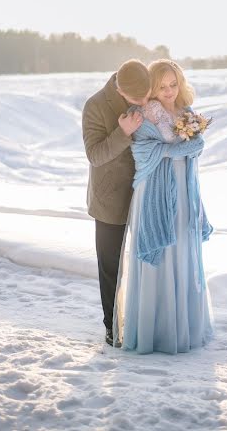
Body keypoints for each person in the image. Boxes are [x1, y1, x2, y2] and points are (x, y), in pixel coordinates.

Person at [113, 59, 214, 354]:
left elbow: (194, 147)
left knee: (182, 247)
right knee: (161, 253)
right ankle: (155, 331)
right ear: (151, 87)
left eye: (174, 84)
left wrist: (189, 147)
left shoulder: (187, 113)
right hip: (154, 191)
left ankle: (183, 327)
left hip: (183, 189)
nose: (169, 91)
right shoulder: (141, 114)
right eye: (162, 86)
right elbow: (143, 151)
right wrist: (177, 149)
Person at [82, 59, 151, 346]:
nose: (145, 102)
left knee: (149, 261)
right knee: (110, 266)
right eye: (139, 100)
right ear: (121, 91)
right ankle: (112, 326)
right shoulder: (95, 106)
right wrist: (122, 132)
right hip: (110, 198)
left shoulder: (144, 90)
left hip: (147, 194)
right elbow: (95, 155)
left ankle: (147, 320)